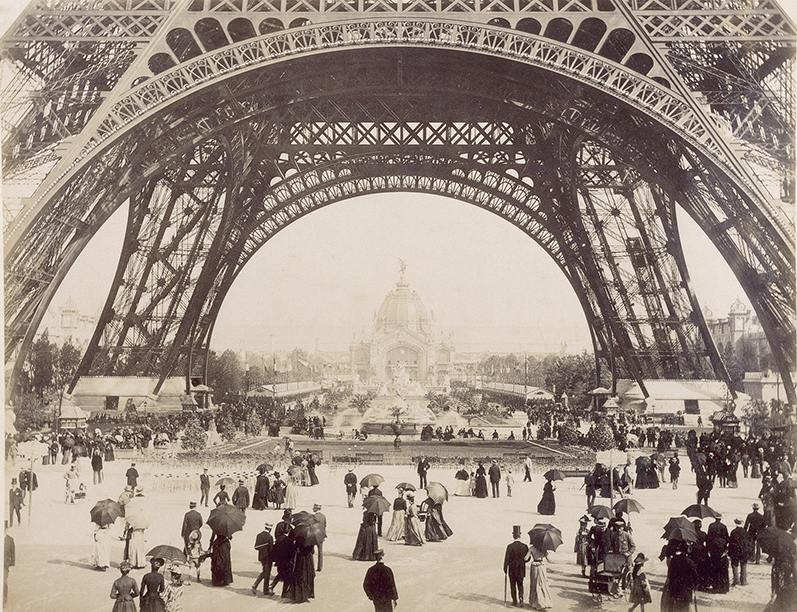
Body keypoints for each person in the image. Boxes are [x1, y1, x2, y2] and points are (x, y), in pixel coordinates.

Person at [661, 540, 698, 612]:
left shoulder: (674, 560)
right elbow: (695, 577)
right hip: (686, 591)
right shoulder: (690, 562)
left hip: (675, 590)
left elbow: (670, 575)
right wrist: (694, 586)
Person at [504, 525, 530, 607]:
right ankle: (521, 598)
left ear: (513, 536)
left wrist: (505, 568)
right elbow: (527, 559)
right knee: (520, 584)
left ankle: (514, 601)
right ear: (520, 535)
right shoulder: (524, 546)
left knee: (513, 585)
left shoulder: (510, 546)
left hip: (512, 569)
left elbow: (506, 559)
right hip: (521, 569)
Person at [286, 535, 315, 603]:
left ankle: (298, 595)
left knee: (299, 576)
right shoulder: (311, 539)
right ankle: (306, 594)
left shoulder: (299, 538)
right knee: (307, 576)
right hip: (308, 560)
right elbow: (312, 551)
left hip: (300, 559)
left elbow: (294, 549)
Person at [706, 513, 729, 593]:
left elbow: (708, 538)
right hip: (721, 549)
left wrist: (709, 549)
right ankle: (722, 587)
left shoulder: (711, 526)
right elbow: (727, 538)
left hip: (713, 549)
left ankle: (715, 586)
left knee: (714, 569)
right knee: (722, 569)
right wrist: (725, 548)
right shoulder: (723, 526)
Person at [528, 543, 552, 610]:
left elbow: (526, 558)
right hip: (541, 566)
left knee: (534, 583)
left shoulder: (531, 548)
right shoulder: (544, 548)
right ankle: (544, 601)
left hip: (534, 566)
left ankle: (535, 602)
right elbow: (549, 559)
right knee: (542, 583)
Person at [728, 517, 751, 587]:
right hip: (743, 550)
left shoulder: (733, 532)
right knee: (743, 565)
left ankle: (736, 580)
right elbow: (748, 542)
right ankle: (743, 580)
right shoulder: (746, 532)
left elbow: (730, 542)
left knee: (734, 565)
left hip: (735, 550)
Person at [313, 503, 326, 572]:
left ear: (316, 508)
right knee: (320, 551)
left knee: (311, 551)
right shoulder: (323, 516)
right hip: (321, 535)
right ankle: (320, 566)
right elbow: (325, 526)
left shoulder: (313, 516)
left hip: (314, 536)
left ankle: (311, 566)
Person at [4, 521, 14, 605]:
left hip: (5, 565)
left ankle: (4, 600)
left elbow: (13, 553)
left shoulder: (10, 539)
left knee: (4, 582)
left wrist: (12, 565)